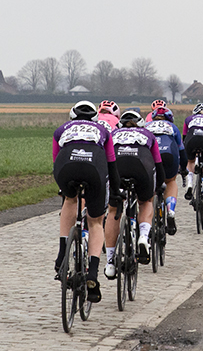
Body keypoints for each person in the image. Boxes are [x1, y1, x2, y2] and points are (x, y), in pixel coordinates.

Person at [52, 100, 119, 304]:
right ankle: (93, 274)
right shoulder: (102, 131)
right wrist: (115, 194)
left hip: (66, 167)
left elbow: (56, 161)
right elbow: (111, 166)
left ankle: (63, 252)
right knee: (96, 221)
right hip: (94, 168)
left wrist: (65, 188)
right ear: (94, 117)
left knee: (70, 200)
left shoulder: (61, 129)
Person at [104, 109, 163, 278]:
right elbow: (158, 164)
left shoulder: (113, 134)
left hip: (118, 167)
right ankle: (144, 236)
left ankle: (109, 262)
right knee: (145, 202)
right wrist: (159, 187)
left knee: (113, 210)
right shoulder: (147, 134)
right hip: (141, 166)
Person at [145, 106, 185, 234]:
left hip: (150, 155)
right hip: (169, 154)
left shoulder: (146, 126)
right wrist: (183, 168)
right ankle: (171, 210)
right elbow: (181, 150)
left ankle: (147, 221)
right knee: (171, 181)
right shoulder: (172, 127)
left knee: (150, 185)